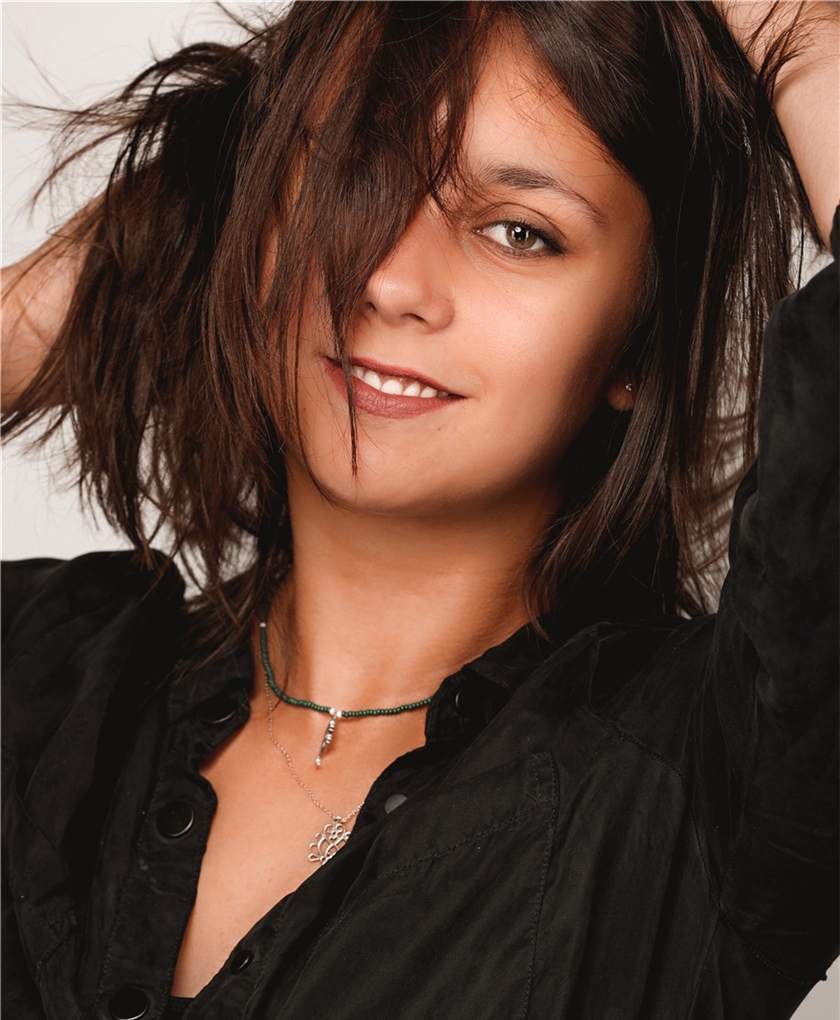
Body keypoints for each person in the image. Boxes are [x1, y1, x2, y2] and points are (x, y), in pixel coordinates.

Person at [2, 2, 837, 1018]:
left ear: (638, 345)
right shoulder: (42, 673)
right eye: (352, 177)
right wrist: (111, 267)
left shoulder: (706, 782)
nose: (393, 281)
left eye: (520, 233)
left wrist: (800, 35)